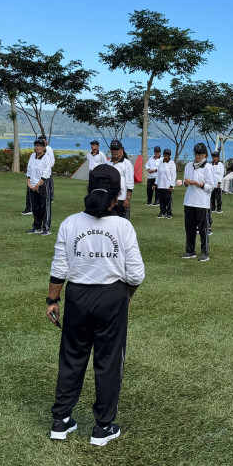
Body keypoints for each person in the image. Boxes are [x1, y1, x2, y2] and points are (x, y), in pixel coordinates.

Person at [47, 164, 145, 445]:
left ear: (88, 190)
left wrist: (53, 300)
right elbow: (136, 274)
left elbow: (59, 268)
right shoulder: (123, 227)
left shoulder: (70, 223)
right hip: (111, 297)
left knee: (72, 357)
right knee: (108, 361)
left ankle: (61, 420)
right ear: (117, 195)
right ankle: (103, 427)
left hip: (77, 297)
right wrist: (126, 297)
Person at [182, 143, 215, 262]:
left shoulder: (208, 167)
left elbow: (211, 186)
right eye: (196, 153)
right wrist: (186, 182)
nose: (197, 156)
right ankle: (190, 251)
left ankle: (205, 253)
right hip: (189, 200)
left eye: (200, 154)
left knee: (203, 229)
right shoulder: (188, 165)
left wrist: (199, 184)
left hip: (202, 202)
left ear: (205, 155)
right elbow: (185, 182)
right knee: (189, 228)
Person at [26, 138, 54, 235]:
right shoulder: (32, 156)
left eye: (40, 146)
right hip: (32, 185)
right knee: (35, 207)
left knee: (45, 207)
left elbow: (46, 174)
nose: (37, 148)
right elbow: (29, 170)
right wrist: (29, 183)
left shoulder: (46, 158)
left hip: (42, 184)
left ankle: (46, 228)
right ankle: (37, 226)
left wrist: (38, 184)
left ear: (44, 148)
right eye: (36, 146)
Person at [107, 139, 135, 219]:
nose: (114, 151)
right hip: (109, 199)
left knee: (123, 224)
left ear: (121, 150)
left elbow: (130, 183)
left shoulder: (127, 164)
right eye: (113, 149)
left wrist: (128, 198)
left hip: (122, 199)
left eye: (116, 149)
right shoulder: (108, 163)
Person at [155, 148, 176, 219]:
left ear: (170, 155)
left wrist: (172, 185)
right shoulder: (160, 162)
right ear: (163, 155)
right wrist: (156, 183)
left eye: (168, 155)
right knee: (161, 200)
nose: (166, 156)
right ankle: (162, 212)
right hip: (161, 184)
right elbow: (158, 174)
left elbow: (173, 175)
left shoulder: (172, 163)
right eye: (165, 154)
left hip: (168, 185)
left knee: (168, 200)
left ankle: (169, 212)